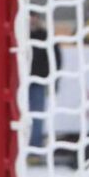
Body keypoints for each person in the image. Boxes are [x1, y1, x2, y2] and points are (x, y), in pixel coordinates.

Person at [28, 12, 61, 153]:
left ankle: (35, 146)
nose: (32, 20)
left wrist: (52, 79)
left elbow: (56, 59)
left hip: (39, 81)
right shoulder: (20, 36)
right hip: (20, 84)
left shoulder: (46, 36)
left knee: (37, 115)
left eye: (34, 16)